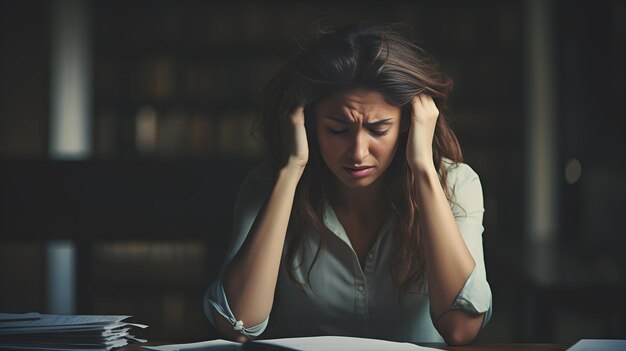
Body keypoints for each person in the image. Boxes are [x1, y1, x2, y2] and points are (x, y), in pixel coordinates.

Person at [204, 24, 492, 345]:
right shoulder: (267, 184)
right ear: (309, 123)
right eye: (337, 129)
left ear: (409, 125)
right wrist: (291, 169)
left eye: (379, 129)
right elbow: (236, 325)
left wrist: (423, 167)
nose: (358, 153)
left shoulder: (455, 183)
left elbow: (461, 329)